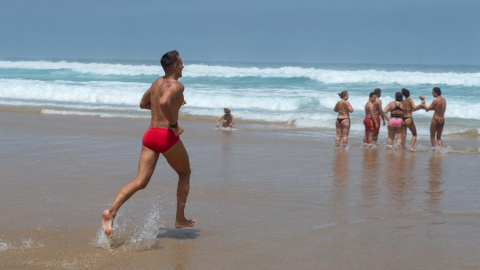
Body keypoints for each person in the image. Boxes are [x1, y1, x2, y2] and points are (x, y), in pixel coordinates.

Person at [102, 50, 196, 239]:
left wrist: (174, 104)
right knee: (185, 173)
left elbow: (145, 103)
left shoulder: (156, 83)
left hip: (150, 135)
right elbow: (164, 100)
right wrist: (174, 124)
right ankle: (180, 218)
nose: (184, 66)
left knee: (140, 181)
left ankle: (111, 212)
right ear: (175, 67)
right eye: (181, 63)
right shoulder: (177, 85)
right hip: (166, 136)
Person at [420, 87, 447, 151]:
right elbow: (437, 108)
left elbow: (427, 109)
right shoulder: (444, 100)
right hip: (442, 119)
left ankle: (434, 151)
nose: (432, 94)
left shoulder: (436, 100)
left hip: (435, 119)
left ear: (436, 92)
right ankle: (440, 151)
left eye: (433, 92)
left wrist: (423, 101)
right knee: (439, 137)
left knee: (432, 136)